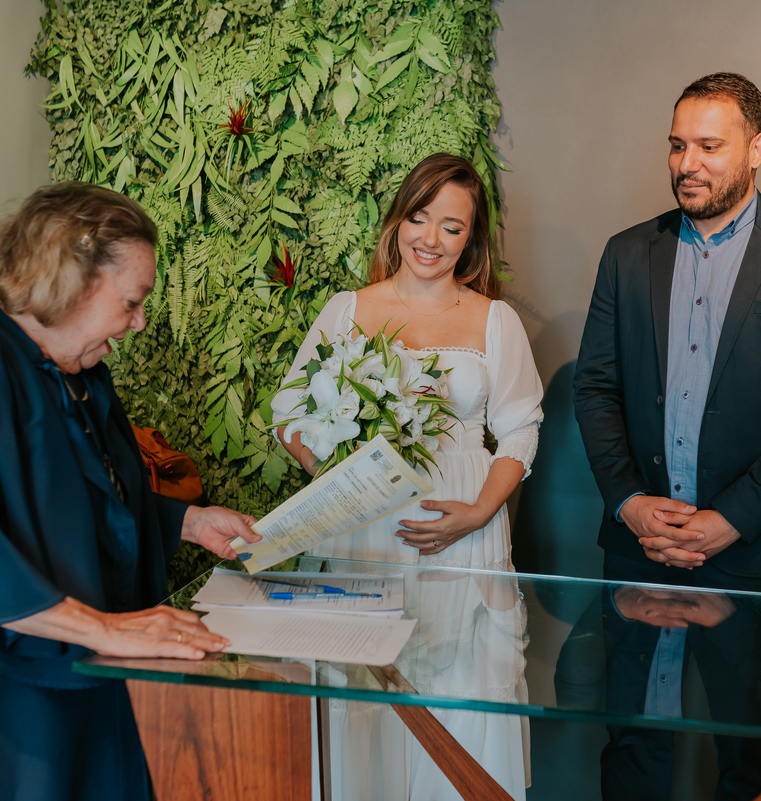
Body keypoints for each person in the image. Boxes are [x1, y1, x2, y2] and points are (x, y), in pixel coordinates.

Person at [0, 182, 262, 801]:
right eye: (132, 301)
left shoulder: (76, 372)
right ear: (70, 278)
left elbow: (66, 500)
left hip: (76, 680)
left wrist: (187, 522)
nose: (139, 322)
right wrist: (103, 628)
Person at [573, 73, 761, 799]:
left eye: (709, 146)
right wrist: (629, 504)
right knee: (633, 740)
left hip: (756, 555)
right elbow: (596, 389)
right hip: (640, 549)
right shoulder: (627, 254)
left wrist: (729, 518)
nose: (687, 163)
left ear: (757, 149)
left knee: (755, 757)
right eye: (677, 145)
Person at [273, 152, 544, 800]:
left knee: (462, 689)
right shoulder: (347, 310)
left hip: (464, 533)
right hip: (364, 533)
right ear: (398, 220)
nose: (431, 239)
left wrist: (480, 512)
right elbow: (289, 413)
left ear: (470, 239)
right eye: (419, 218)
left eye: (452, 227)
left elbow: (521, 430)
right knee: (365, 690)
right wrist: (339, 473)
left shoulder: (495, 320)